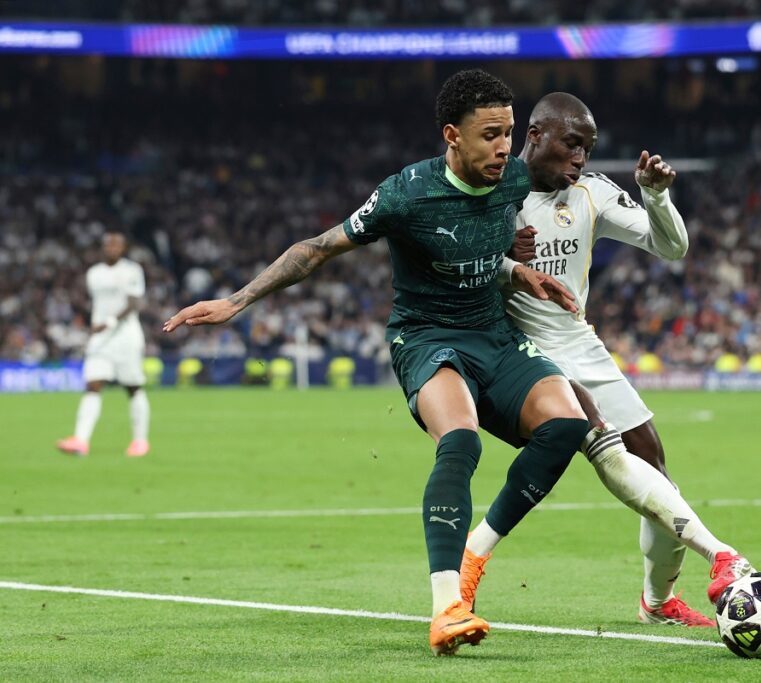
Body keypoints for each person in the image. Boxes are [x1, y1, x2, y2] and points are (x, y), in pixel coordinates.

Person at [162, 70, 591, 656]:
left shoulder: (516, 178)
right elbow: (316, 249)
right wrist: (236, 301)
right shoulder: (406, 194)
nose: (503, 149)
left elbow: (501, 237)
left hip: (492, 333)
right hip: (425, 337)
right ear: (451, 135)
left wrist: (518, 269)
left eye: (509, 133)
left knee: (567, 425)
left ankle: (474, 551)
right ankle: (446, 607)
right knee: (461, 442)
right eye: (489, 135)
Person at [460, 93, 753, 626]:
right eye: (572, 144)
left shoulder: (593, 195)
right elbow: (453, 264)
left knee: (655, 465)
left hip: (579, 343)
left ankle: (657, 603)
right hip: (519, 351)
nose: (581, 159)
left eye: (588, 148)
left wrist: (656, 197)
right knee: (601, 444)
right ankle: (722, 556)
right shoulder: (495, 191)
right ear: (536, 135)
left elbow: (672, 248)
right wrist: (503, 261)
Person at [57, 232, 151, 458]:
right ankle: (80, 440)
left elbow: (134, 303)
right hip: (100, 339)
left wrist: (108, 322)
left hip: (126, 337)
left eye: (116, 244)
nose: (111, 248)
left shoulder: (132, 270)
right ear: (102, 248)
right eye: (108, 244)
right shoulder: (94, 273)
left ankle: (140, 441)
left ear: (123, 247)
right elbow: (96, 302)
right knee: (92, 385)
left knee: (133, 387)